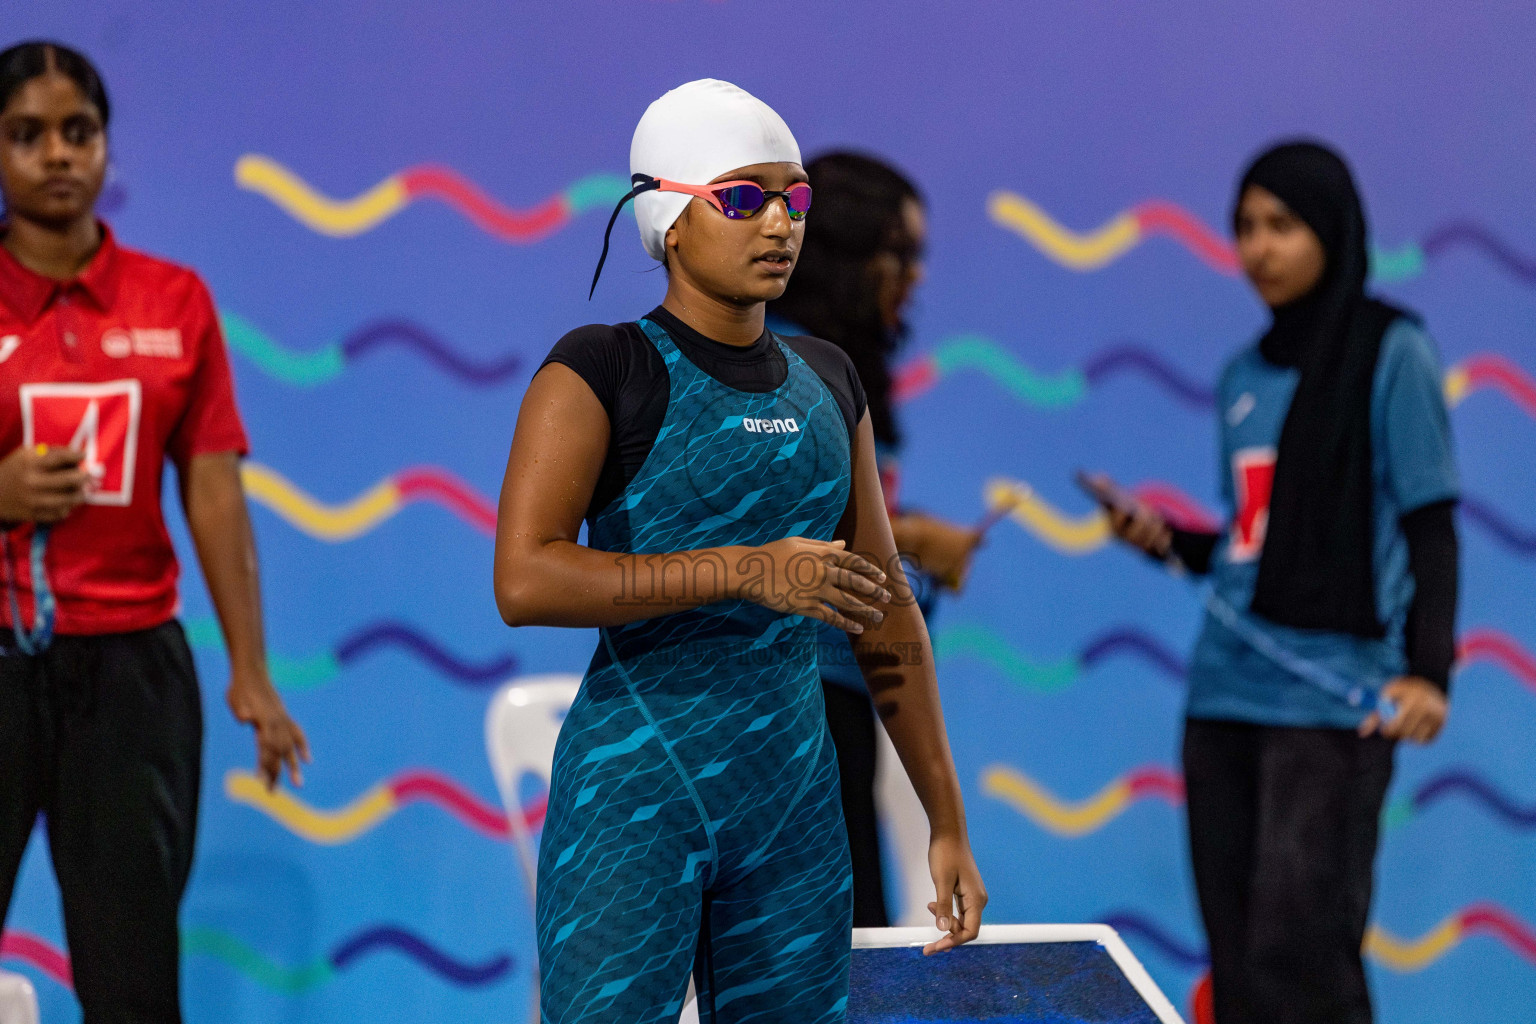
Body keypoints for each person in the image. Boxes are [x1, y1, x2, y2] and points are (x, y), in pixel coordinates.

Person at [494, 80, 985, 1022]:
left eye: (793, 198)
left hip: (794, 803)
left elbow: (884, 606)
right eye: (743, 197)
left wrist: (945, 818)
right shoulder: (603, 369)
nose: (779, 223)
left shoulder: (830, 381)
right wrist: (746, 568)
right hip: (637, 795)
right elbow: (525, 578)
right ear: (670, 218)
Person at [1100, 141, 1458, 1024]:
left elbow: (1429, 523)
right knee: (1239, 966)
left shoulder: (1393, 352)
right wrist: (1171, 543)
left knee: (1302, 959)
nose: (1259, 248)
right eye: (1245, 228)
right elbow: (1257, 546)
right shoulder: (1240, 376)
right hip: (1223, 697)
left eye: (1282, 226)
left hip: (1333, 704)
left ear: (1333, 232)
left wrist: (1430, 674)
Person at [0, 41, 310, 1024]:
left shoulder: (174, 302)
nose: (57, 155)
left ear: (106, 148)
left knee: (131, 980)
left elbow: (213, 490)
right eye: (26, 135)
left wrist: (252, 674)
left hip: (132, 680)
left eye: (78, 132)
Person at [766, 151, 981, 927]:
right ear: (847, 255)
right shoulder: (778, 364)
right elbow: (773, 540)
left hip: (845, 696)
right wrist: (914, 539)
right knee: (826, 959)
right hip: (792, 708)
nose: (916, 277)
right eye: (902, 254)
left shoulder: (840, 366)